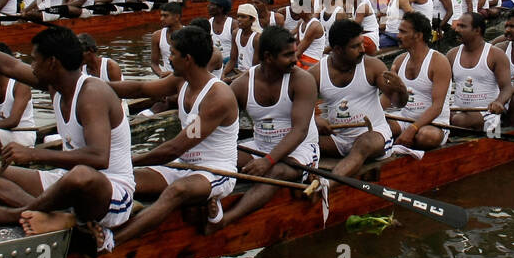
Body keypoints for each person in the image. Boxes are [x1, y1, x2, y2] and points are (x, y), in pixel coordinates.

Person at [0, 15, 136, 251]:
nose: (31, 66)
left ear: (52, 62)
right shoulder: (57, 85)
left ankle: (16, 214)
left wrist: (34, 155)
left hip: (110, 193)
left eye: (35, 60)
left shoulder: (91, 94)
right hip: (67, 180)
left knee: (80, 175)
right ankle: (50, 216)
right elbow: (8, 65)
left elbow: (98, 158)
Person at [111, 24, 241, 237]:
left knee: (177, 190)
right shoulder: (181, 80)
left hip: (214, 171)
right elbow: (140, 89)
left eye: (172, 53)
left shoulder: (218, 98)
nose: (168, 58)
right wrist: (95, 85)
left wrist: (128, 159)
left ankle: (114, 241)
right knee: (128, 179)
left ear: (187, 59)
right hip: (181, 166)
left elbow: (175, 147)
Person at [217, 25, 321, 230]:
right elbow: (219, 125)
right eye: (288, 55)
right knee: (220, 156)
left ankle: (226, 219)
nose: (295, 59)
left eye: (294, 52)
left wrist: (268, 161)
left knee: (277, 171)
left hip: (299, 150)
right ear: (268, 57)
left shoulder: (302, 80)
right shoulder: (241, 84)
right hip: (259, 145)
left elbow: (299, 132)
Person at [313, 19, 409, 179]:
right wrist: (315, 120)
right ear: (337, 49)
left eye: (362, 44)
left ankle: (327, 186)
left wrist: (401, 90)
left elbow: (399, 103)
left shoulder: (373, 66)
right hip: (339, 139)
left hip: (374, 134)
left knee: (364, 143)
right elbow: (300, 112)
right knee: (299, 142)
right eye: (355, 46)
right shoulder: (316, 73)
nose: (363, 50)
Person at [387, 11, 452, 149]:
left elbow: (437, 107)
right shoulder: (398, 61)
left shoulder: (439, 61)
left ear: (418, 35)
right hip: (404, 118)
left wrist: (413, 129)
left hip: (434, 123)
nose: (398, 36)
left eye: (403, 32)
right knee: (377, 125)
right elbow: (391, 101)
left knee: (425, 137)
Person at [446, 12, 514, 131]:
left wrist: (499, 102)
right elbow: (442, 87)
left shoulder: (496, 55)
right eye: (457, 26)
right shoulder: (452, 54)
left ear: (477, 30)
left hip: (486, 112)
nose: (456, 29)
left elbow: (507, 88)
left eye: (462, 26)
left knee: (458, 121)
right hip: (457, 109)